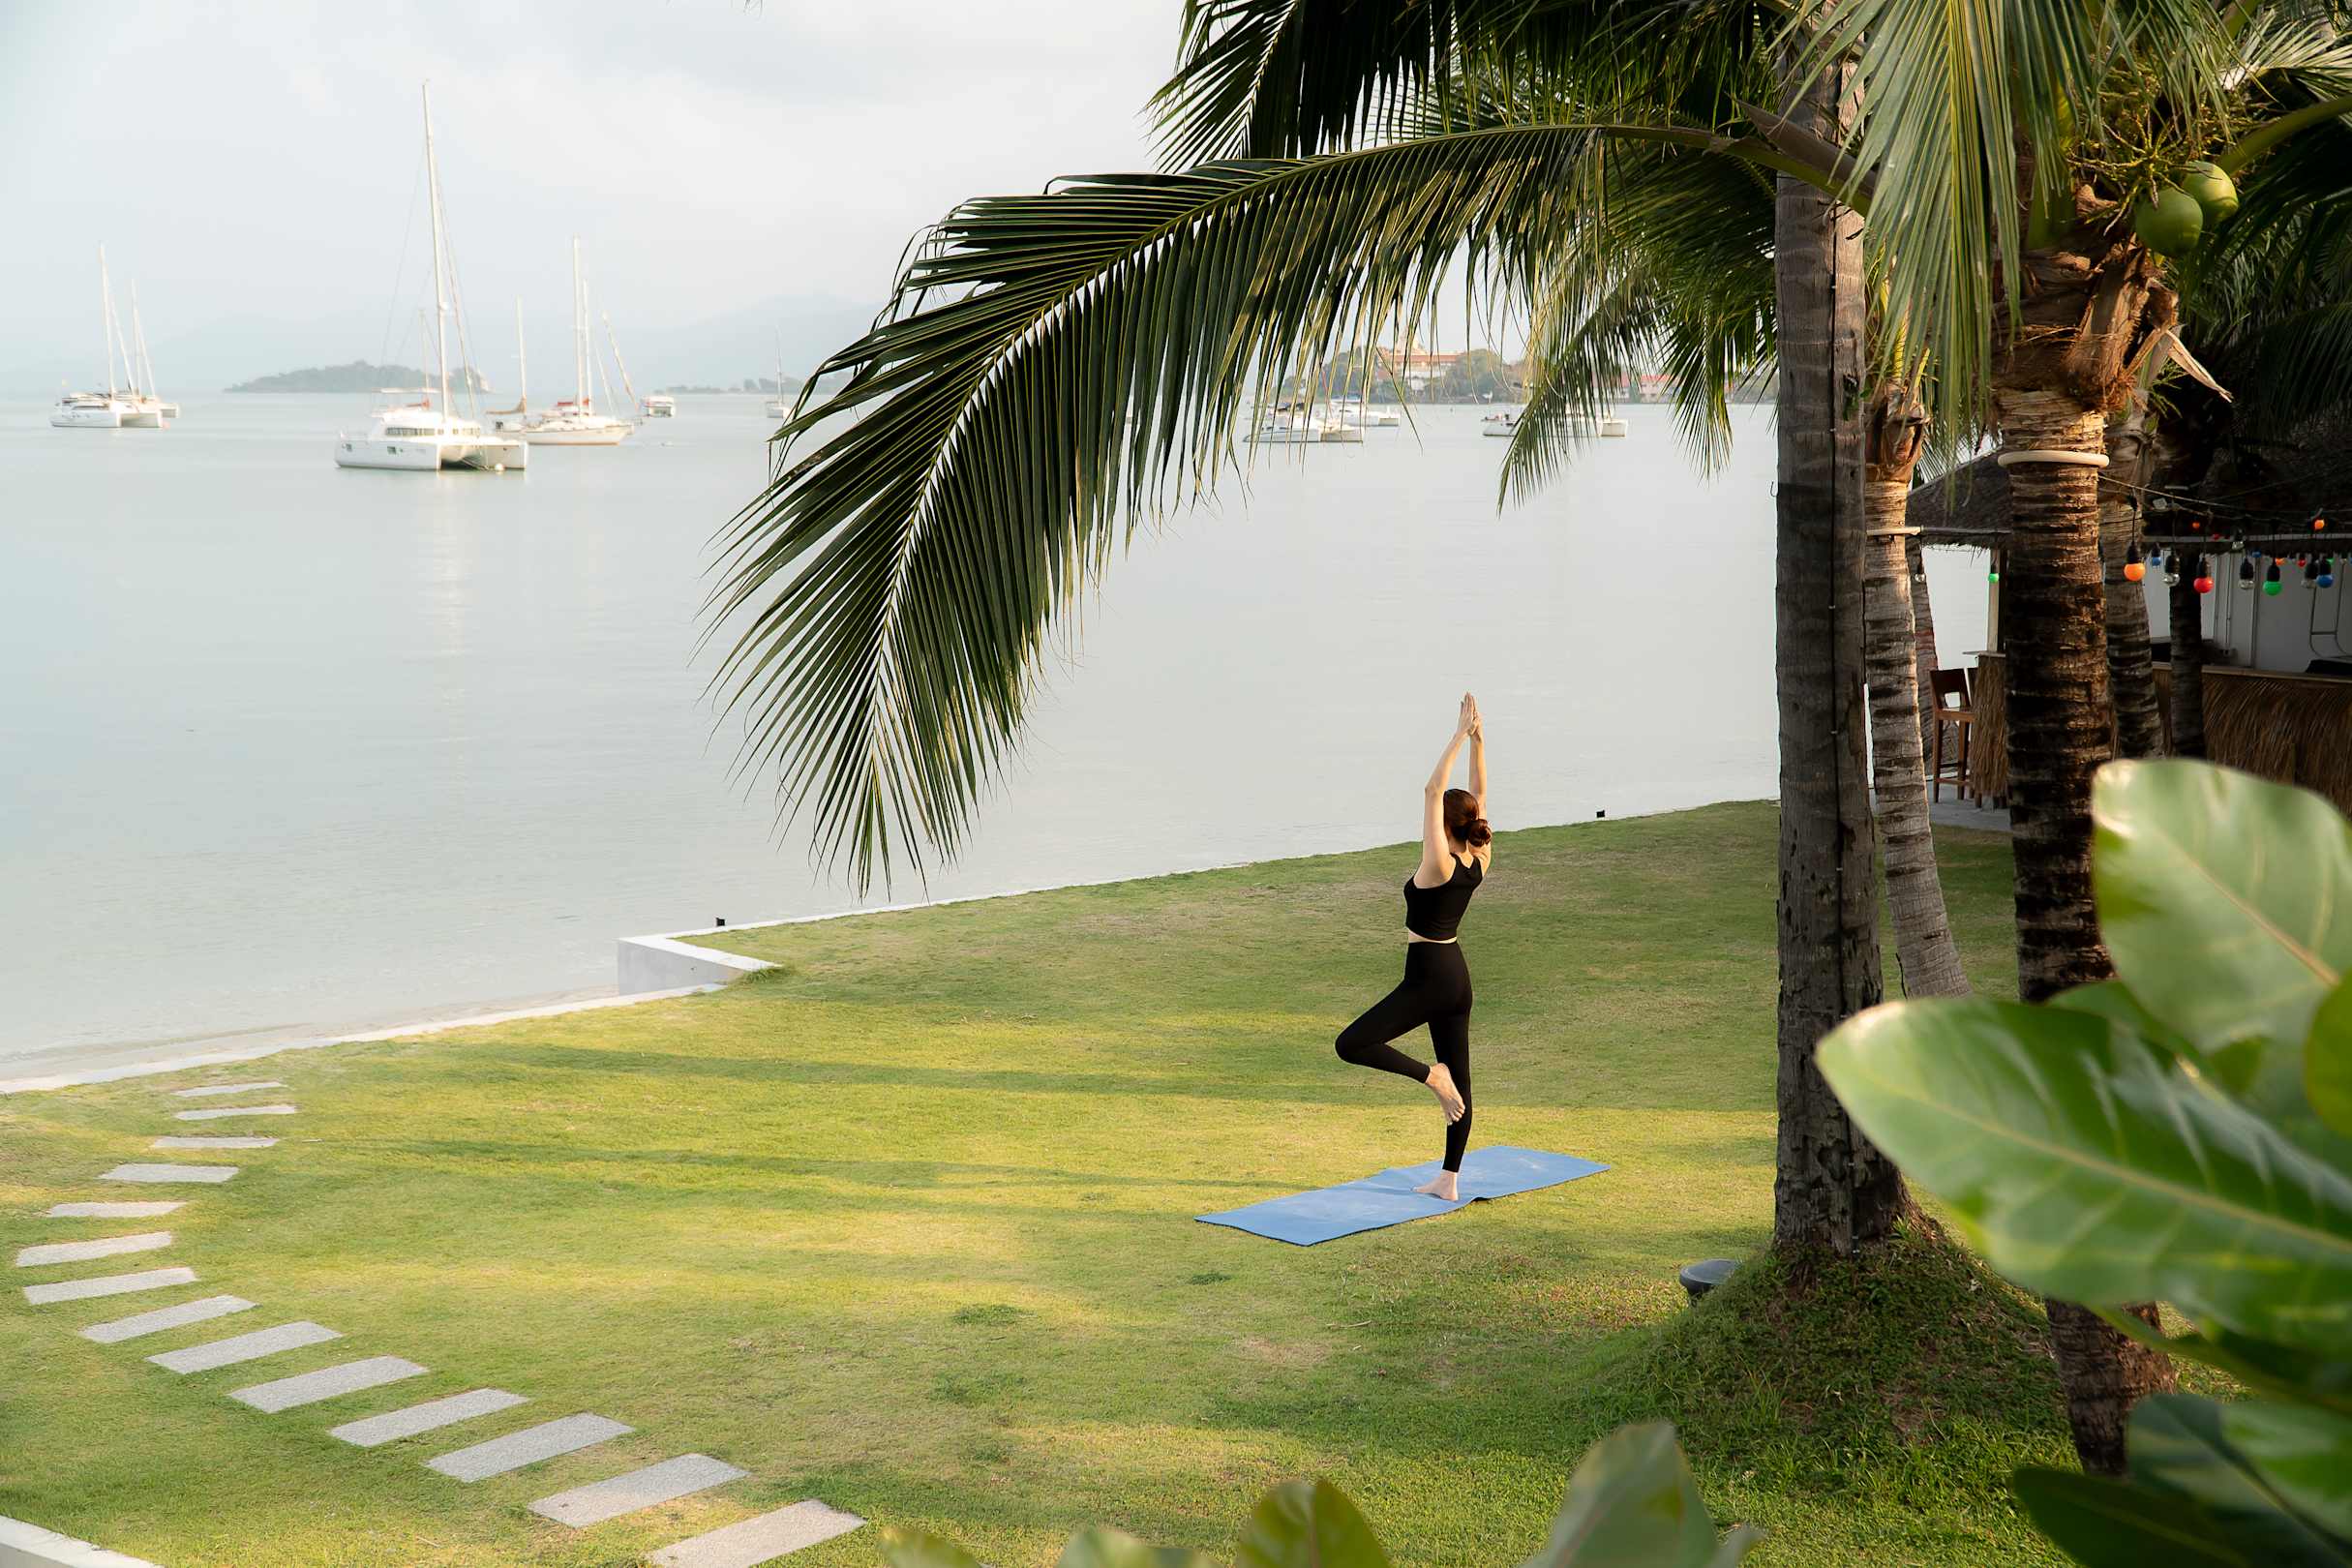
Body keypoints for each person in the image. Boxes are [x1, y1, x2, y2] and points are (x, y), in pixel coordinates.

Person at [1334, 692, 1493, 1202]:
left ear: (1444, 827)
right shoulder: (1478, 858)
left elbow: (1432, 790)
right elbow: (1479, 795)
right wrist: (1479, 740)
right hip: (1456, 978)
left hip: (1428, 979)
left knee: (1351, 1044)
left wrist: (1459, 735)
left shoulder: (1438, 865)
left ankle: (1431, 1078)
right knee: (1463, 1083)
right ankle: (1449, 1179)